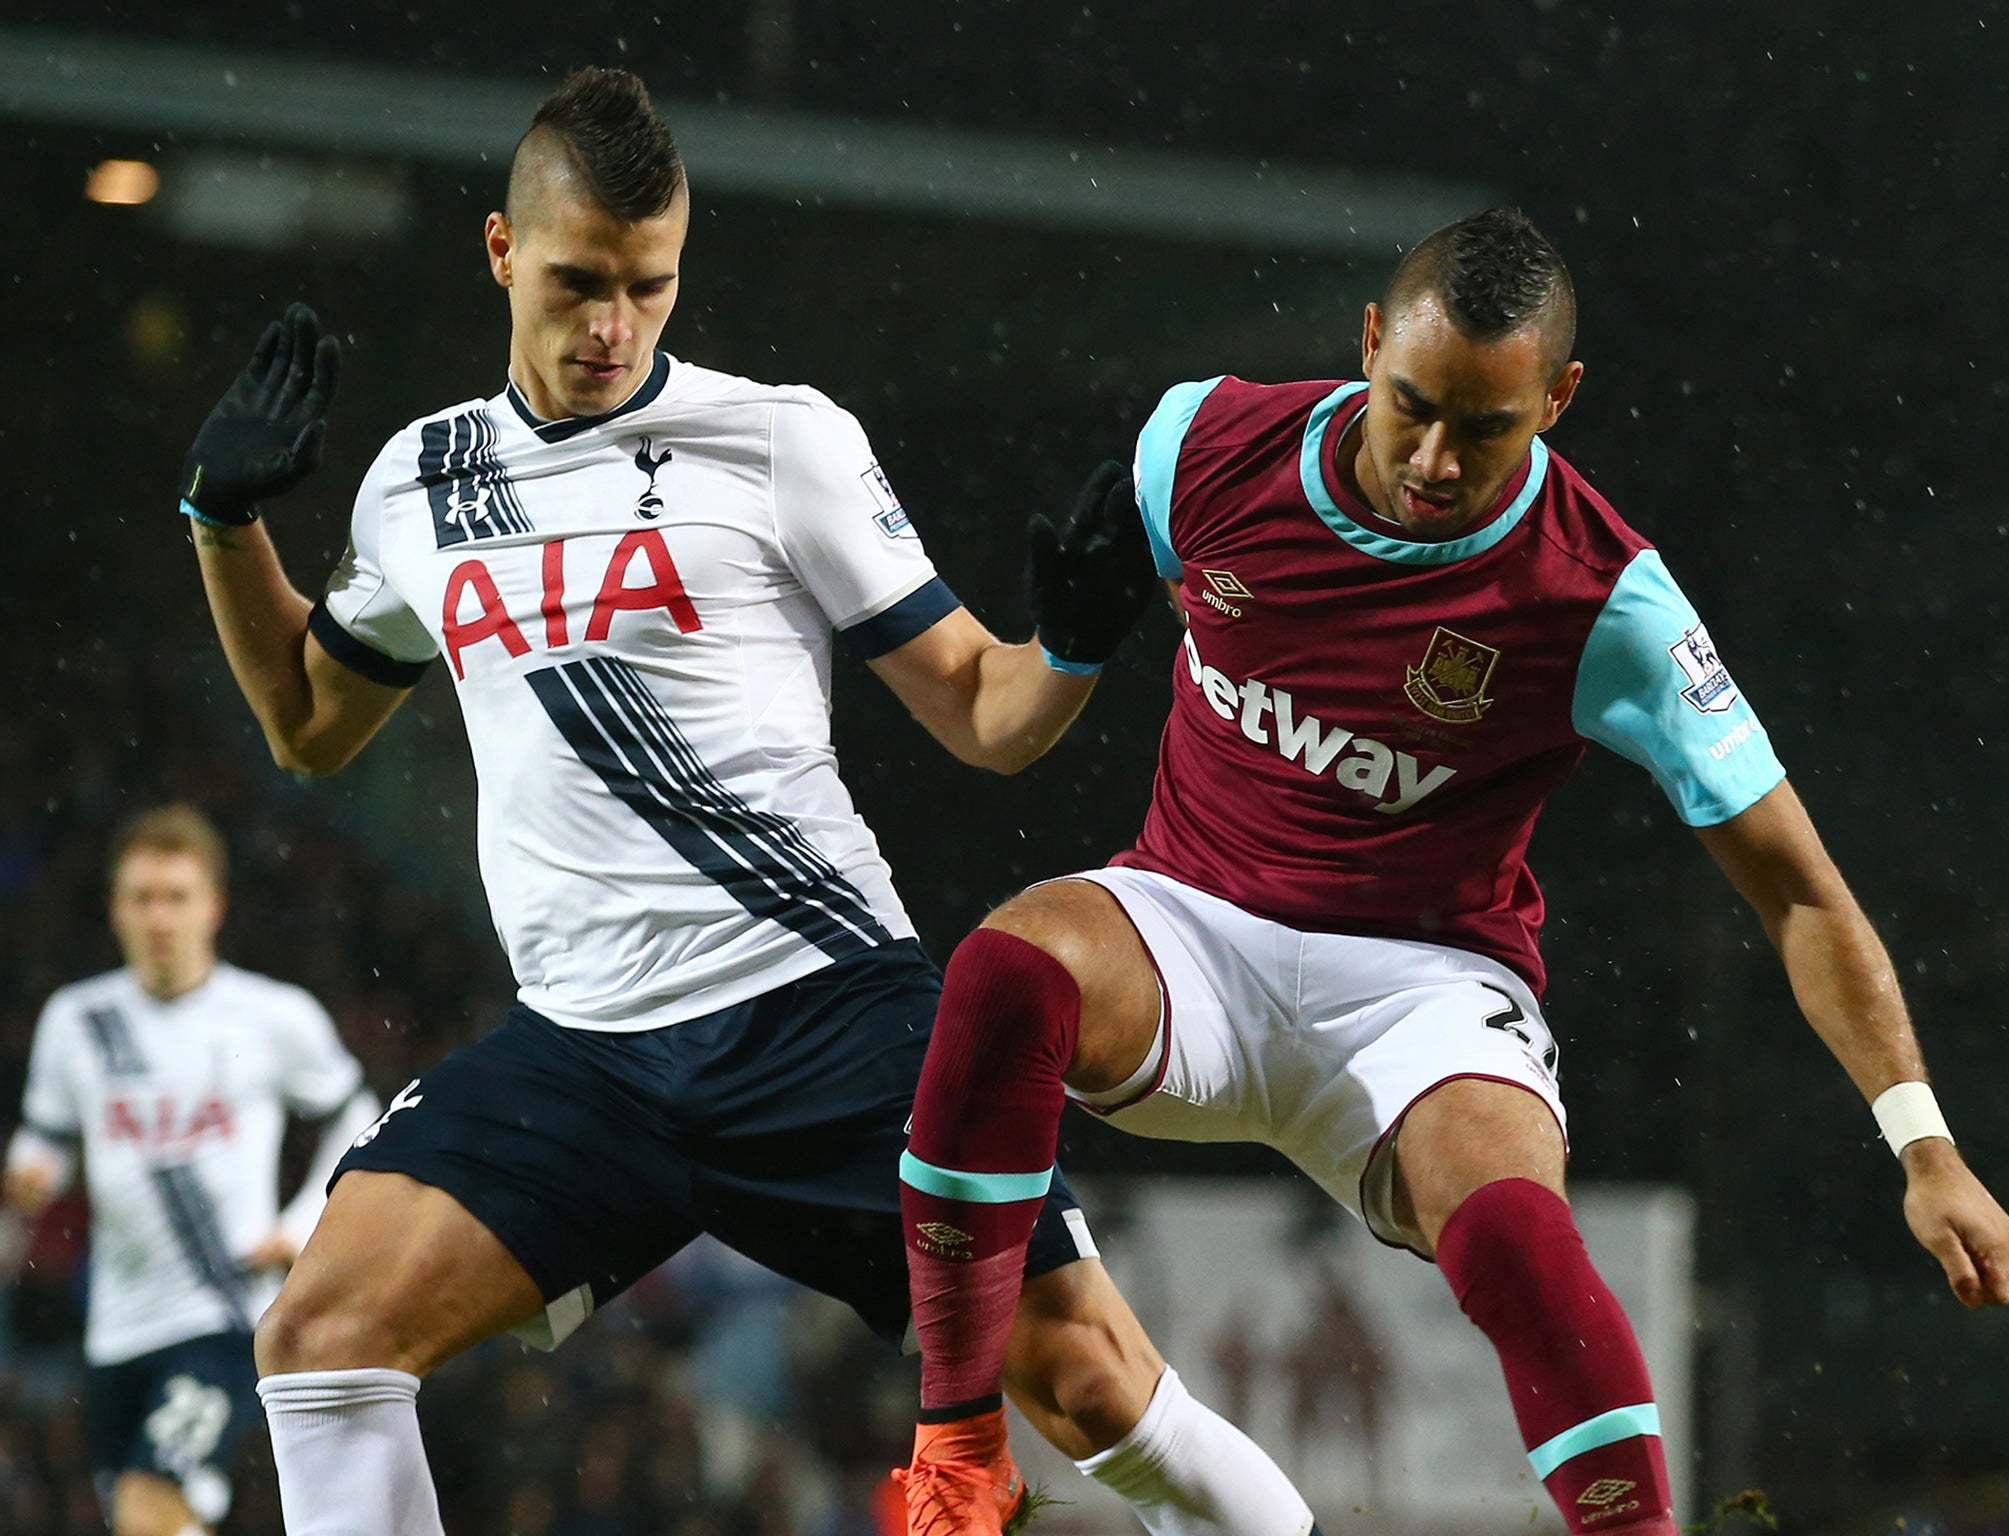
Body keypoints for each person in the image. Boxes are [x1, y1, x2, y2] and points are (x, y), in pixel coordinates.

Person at [177, 66, 1317, 1536]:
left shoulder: (782, 441)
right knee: (320, 1343)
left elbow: (982, 710)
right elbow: (306, 723)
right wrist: (224, 524)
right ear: (500, 251)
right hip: (583, 1056)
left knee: (1090, 1379)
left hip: (824, 1012)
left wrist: (1079, 647)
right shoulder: (420, 481)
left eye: (649, 287)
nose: (613, 327)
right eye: (580, 282)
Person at [893, 207, 2009, 1535]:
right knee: (1002, 973)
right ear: (1369, 344)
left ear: (1559, 399)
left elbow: (1796, 889)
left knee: (1517, 1240)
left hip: (1421, 985)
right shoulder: (1200, 442)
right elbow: (1012, 720)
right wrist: (1070, 650)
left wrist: (1926, 1147)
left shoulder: (1609, 605)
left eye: (1484, 428)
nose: (1434, 458)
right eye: (1412, 406)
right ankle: (958, 1457)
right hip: (1188, 926)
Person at [3, 805, 376, 1536]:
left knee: (147, 1503)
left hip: (222, 1311)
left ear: (215, 906)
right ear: (116, 909)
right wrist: (29, 1174)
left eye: (177, 897)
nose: (160, 916)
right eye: (143, 898)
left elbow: (358, 1117)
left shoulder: (272, 1016)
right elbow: (44, 1141)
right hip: (113, 1325)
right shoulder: (77, 1021)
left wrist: (302, 1226)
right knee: (156, 1519)